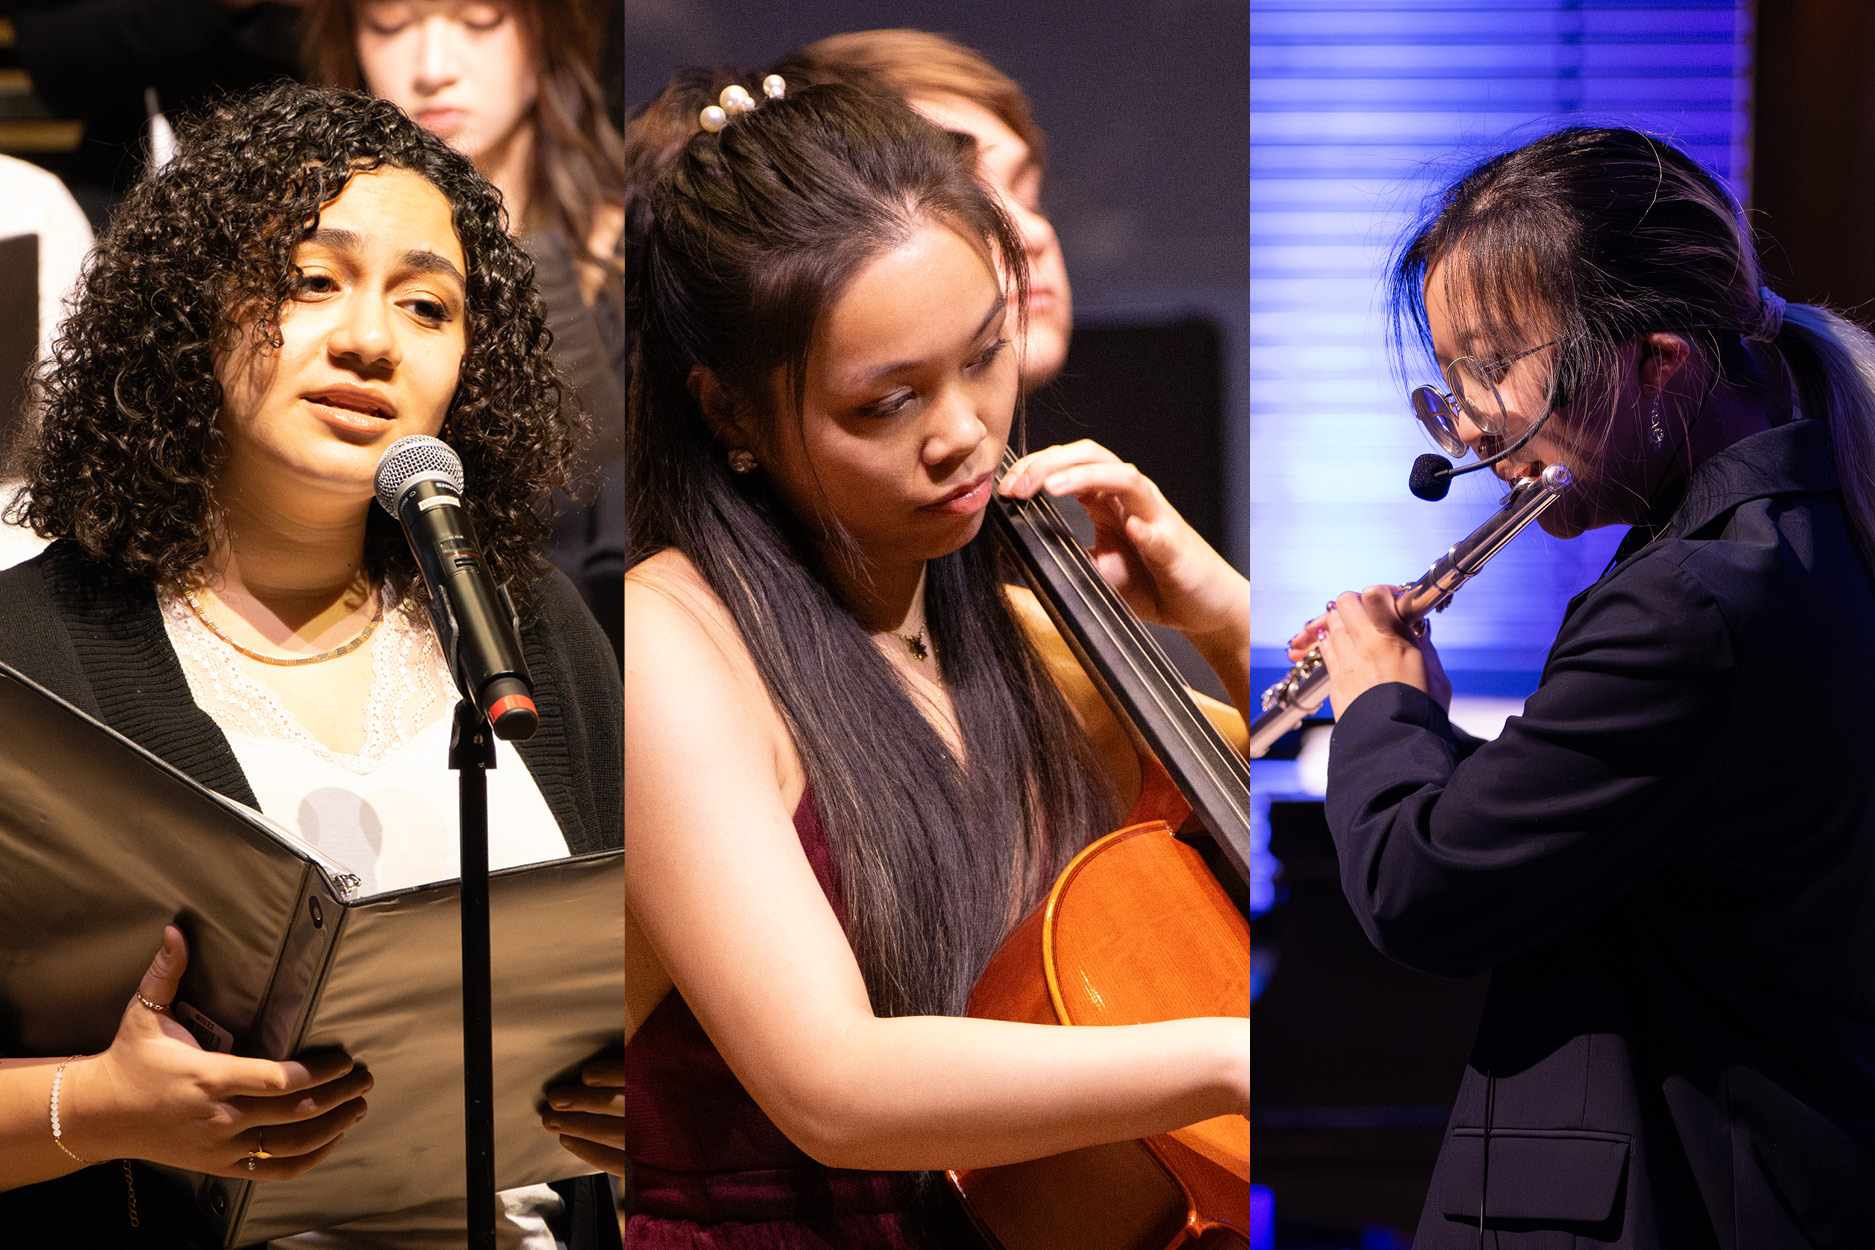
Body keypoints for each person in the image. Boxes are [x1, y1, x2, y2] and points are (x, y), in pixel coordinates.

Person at [624, 76, 1250, 1247]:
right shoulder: (673, 642)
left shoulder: (1014, 635)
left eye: (984, 357)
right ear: (731, 415)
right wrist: (1224, 1055)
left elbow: (1313, 839)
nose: (963, 429)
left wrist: (1226, 619)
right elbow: (833, 1081)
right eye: (887, 402)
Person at [0, 82, 621, 1249]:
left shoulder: (526, 628)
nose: (370, 339)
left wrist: (647, 1102)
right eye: (309, 281)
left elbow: (652, 997)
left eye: (427, 305)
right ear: (189, 310)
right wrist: (96, 1106)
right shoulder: (27, 656)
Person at [1293, 127, 1875, 1246]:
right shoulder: (1792, 537)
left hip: (1690, 1193)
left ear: (1660, 363)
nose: (1469, 427)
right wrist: (1415, 716)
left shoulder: (1694, 599)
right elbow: (1620, 824)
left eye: (1493, 365)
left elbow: (1423, 889)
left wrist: (1377, 700)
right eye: (1452, 375)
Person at [304, 0, 627, 654]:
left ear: (551, 28)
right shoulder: (305, 248)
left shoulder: (640, 245)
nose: (432, 69)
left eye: (479, 18)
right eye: (391, 24)